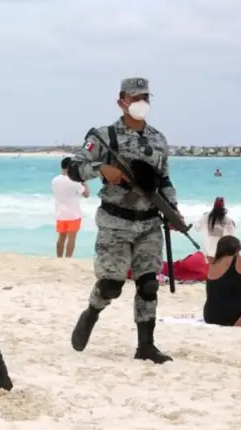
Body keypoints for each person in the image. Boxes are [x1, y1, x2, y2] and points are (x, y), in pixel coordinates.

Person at [66, 77, 181, 363]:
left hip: (150, 223)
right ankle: (92, 312)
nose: (141, 102)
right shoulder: (105, 137)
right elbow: (75, 168)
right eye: (135, 97)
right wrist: (101, 169)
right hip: (115, 222)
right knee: (111, 286)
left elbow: (164, 179)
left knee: (149, 284)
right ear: (121, 101)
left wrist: (173, 209)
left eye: (146, 97)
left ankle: (146, 346)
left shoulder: (158, 139)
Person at [52, 157, 90, 258]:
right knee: (71, 239)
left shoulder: (55, 180)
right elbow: (86, 194)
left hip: (60, 213)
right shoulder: (75, 181)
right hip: (73, 214)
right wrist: (84, 182)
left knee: (61, 238)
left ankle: (59, 258)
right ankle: (68, 259)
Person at [194, 197, 236, 263]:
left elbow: (196, 228)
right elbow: (231, 236)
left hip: (208, 252)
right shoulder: (227, 220)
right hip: (221, 253)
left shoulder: (206, 217)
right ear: (223, 207)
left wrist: (202, 218)